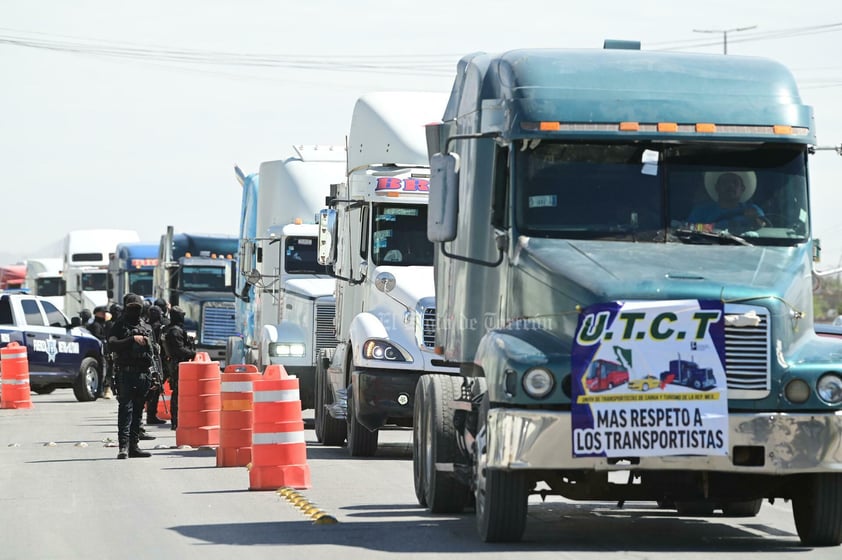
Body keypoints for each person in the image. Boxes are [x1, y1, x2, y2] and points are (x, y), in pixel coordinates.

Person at [107, 293, 158, 459]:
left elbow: (155, 354)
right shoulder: (119, 326)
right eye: (132, 308)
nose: (135, 311)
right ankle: (123, 446)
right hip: (126, 373)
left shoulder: (147, 327)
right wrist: (131, 339)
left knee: (137, 412)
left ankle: (134, 446)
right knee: (125, 410)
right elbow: (112, 344)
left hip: (143, 374)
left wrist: (157, 376)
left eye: (138, 308)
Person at [687, 171, 768, 232]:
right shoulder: (701, 211)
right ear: (717, 187)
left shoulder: (753, 209)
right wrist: (714, 227)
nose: (730, 185)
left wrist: (755, 219)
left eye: (735, 183)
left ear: (742, 188)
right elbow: (690, 228)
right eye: (725, 182)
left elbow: (763, 226)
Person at [162, 306, 196, 431]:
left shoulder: (170, 329)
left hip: (175, 364)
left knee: (179, 393)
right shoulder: (175, 331)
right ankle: (176, 421)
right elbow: (179, 350)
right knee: (178, 393)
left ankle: (176, 420)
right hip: (178, 364)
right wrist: (192, 354)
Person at [143, 305, 166, 425]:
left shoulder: (145, 326)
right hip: (157, 360)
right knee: (156, 388)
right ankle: (151, 415)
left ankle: (150, 414)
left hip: (149, 360)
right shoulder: (160, 327)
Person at [86, 306, 109, 398]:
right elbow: (97, 336)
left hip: (100, 351)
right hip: (97, 352)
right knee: (101, 371)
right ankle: (99, 391)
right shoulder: (96, 325)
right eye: (102, 313)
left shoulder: (101, 324)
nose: (104, 315)